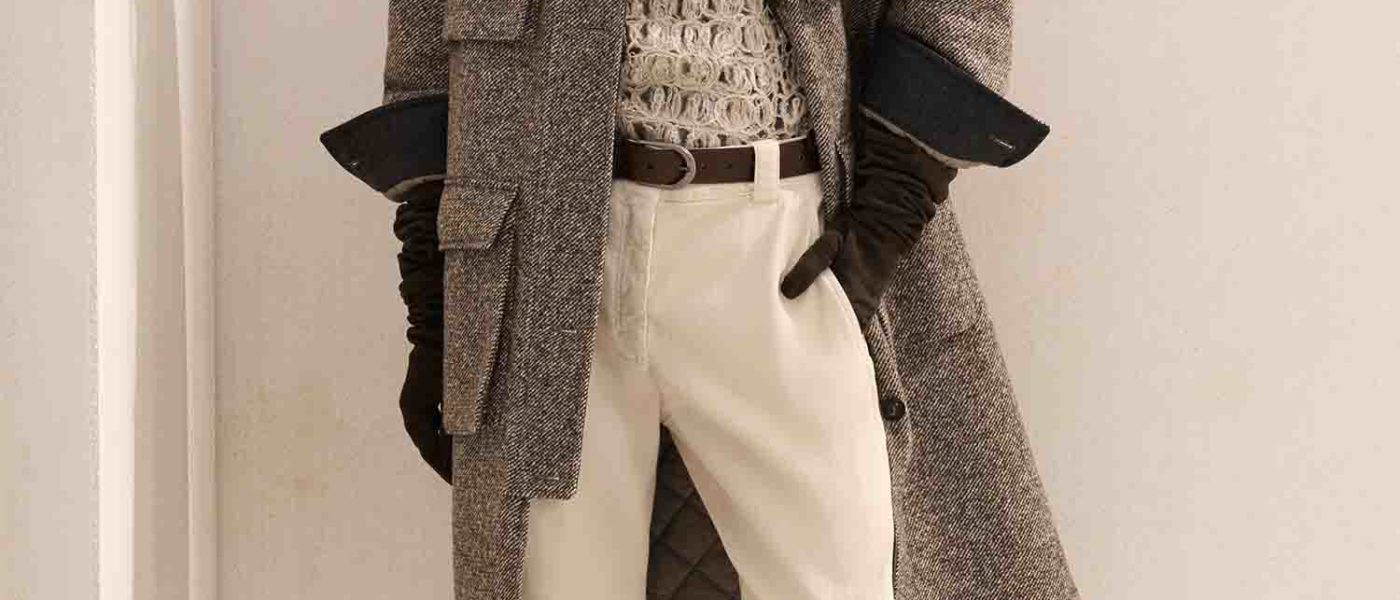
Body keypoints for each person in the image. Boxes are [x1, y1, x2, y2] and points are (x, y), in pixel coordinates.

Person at [320, 0, 1078, 598]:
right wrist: (436, 308)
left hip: (783, 243)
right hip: (536, 261)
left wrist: (881, 227)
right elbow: (426, 53)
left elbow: (957, 13)